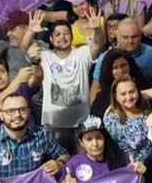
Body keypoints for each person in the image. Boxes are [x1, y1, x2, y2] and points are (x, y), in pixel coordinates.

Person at [23, 14, 102, 148]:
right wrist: (31, 31)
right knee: (56, 163)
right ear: (51, 39)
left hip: (81, 122)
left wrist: (98, 30)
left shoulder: (82, 54)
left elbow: (98, 44)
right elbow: (25, 47)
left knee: (83, 164)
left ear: (72, 37)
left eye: (66, 33)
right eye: (57, 34)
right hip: (54, 123)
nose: (62, 37)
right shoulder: (45, 56)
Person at [0, 93, 69, 179]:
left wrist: (59, 163)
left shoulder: (41, 135)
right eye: (10, 111)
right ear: (1, 115)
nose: (17, 115)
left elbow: (65, 156)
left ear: (29, 111)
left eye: (22, 110)